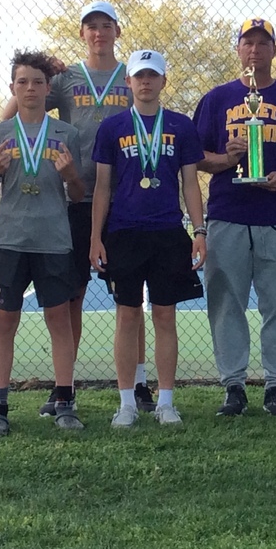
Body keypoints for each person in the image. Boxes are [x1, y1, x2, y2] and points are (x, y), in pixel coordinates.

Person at [2, 0, 154, 416]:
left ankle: (139, 383)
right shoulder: (65, 78)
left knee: (129, 297)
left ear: (117, 33)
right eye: (92, 26)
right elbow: (14, 116)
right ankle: (63, 386)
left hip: (122, 199)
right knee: (71, 296)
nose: (99, 33)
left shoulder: (133, 76)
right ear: (82, 34)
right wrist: (40, 78)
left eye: (106, 25)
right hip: (71, 199)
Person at [193, 18, 276, 417]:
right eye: (248, 43)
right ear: (238, 49)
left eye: (263, 43)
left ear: (274, 51)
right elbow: (198, 159)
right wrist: (229, 159)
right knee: (226, 301)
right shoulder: (216, 99)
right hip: (228, 214)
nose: (255, 50)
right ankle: (233, 385)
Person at [90, 50, 207, 427]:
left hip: (168, 232)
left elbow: (190, 183)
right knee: (126, 316)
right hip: (123, 233)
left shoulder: (181, 126)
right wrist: (96, 237)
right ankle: (126, 402)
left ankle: (167, 401)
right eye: (139, 76)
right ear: (129, 82)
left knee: (165, 316)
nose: (145, 82)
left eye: (152, 76)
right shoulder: (112, 128)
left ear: (163, 82)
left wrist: (199, 230)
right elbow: (102, 187)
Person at [0, 50, 87, 435]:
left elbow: (77, 194)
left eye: (38, 82)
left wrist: (72, 175)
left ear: (47, 89)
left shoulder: (66, 134)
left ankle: (65, 402)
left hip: (54, 241)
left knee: (59, 320)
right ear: (12, 87)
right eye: (22, 82)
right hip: (10, 241)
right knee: (4, 321)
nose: (30, 89)